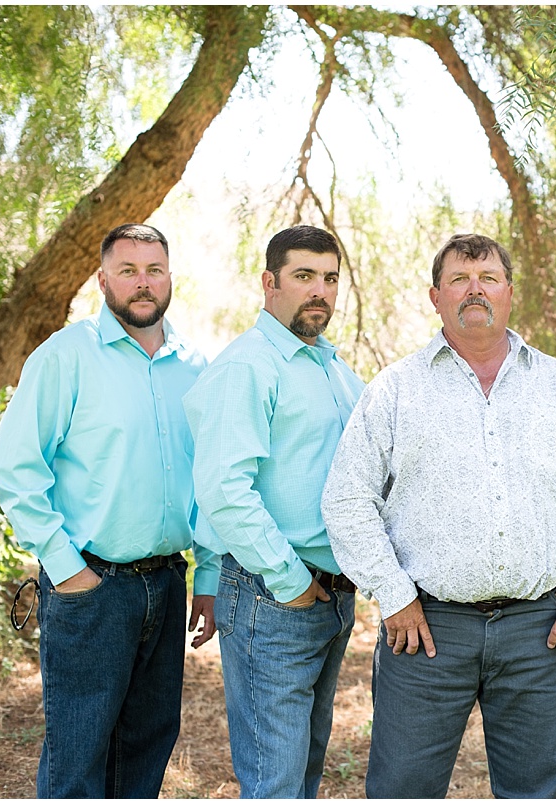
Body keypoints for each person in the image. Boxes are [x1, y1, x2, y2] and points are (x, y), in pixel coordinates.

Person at [322, 233, 556, 798]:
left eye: (488, 278)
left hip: (538, 632)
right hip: (425, 630)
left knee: (536, 794)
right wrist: (393, 594)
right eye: (459, 280)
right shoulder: (395, 390)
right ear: (435, 296)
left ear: (509, 291)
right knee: (402, 791)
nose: (475, 290)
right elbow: (347, 499)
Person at [0, 223, 215, 798]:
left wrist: (207, 577)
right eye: (128, 270)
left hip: (168, 584)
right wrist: (66, 568)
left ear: (170, 277)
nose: (143, 283)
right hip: (91, 587)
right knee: (78, 755)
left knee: (147, 748)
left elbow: (209, 482)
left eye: (154, 270)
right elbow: (13, 468)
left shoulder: (195, 366)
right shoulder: (66, 357)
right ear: (103, 279)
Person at [183, 225, 364, 798]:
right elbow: (224, 489)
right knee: (276, 780)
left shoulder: (333, 370)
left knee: (304, 770)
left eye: (330, 278)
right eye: (303, 276)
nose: (319, 291)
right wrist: (290, 582)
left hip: (331, 597)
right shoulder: (249, 367)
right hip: (274, 595)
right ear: (270, 282)